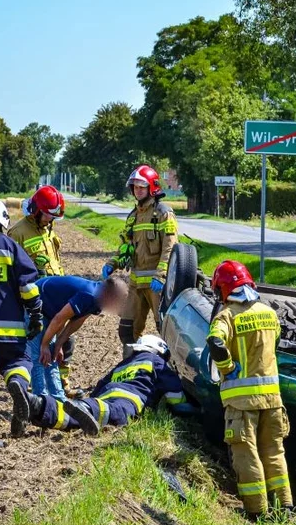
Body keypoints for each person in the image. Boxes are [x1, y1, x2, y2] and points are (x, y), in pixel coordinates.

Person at [207, 260, 292, 520]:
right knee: (274, 451)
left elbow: (215, 342)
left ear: (223, 289)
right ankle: (284, 507)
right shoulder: (269, 312)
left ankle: (257, 512)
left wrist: (227, 367)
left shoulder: (227, 316)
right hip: (273, 399)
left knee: (247, 453)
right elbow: (275, 341)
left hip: (242, 402)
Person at [0, 197, 45, 439]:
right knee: (18, 361)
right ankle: (18, 384)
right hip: (10, 326)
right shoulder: (9, 245)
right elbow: (27, 285)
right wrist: (35, 313)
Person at [27, 335, 195, 434]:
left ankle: (40, 408)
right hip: (128, 402)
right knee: (113, 414)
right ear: (160, 351)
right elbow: (175, 395)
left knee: (84, 413)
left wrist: (91, 400)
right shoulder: (158, 362)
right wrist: (190, 408)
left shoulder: (123, 364)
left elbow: (101, 384)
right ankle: (56, 409)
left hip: (106, 395)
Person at [102, 166, 178, 343]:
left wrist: (161, 275)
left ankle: (169, 368)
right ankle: (132, 366)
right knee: (127, 332)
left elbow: (170, 247)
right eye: (135, 187)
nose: (137, 190)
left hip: (157, 285)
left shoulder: (163, 213)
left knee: (167, 331)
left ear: (152, 187)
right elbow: (124, 247)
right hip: (136, 285)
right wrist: (112, 263)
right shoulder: (133, 216)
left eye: (141, 187)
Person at [27, 273, 130, 403]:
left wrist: (58, 344)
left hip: (50, 311)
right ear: (110, 294)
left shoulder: (99, 301)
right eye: (120, 299)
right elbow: (60, 318)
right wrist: (44, 344)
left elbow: (76, 321)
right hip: (35, 304)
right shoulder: (89, 295)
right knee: (39, 356)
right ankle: (40, 401)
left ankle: (58, 400)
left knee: (51, 356)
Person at [8, 185, 65, 277]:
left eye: (53, 216)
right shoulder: (17, 233)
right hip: (35, 288)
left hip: (55, 284)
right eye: (47, 215)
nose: (49, 219)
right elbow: (12, 271)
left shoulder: (47, 227)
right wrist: (35, 271)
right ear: (36, 210)